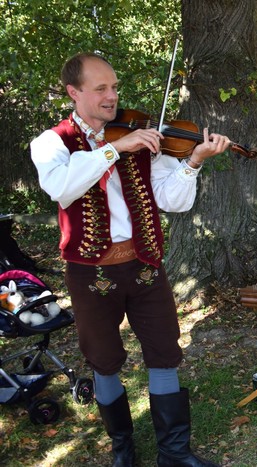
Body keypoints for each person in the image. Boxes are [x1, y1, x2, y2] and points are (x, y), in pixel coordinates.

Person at [30, 52, 230, 467]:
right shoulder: (52, 143)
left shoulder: (141, 137)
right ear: (74, 92)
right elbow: (62, 187)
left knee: (163, 350)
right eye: (101, 88)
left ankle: (174, 452)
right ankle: (123, 448)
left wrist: (193, 161)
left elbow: (172, 200)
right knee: (103, 360)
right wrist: (113, 149)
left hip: (143, 264)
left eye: (115, 87)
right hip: (91, 272)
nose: (112, 97)